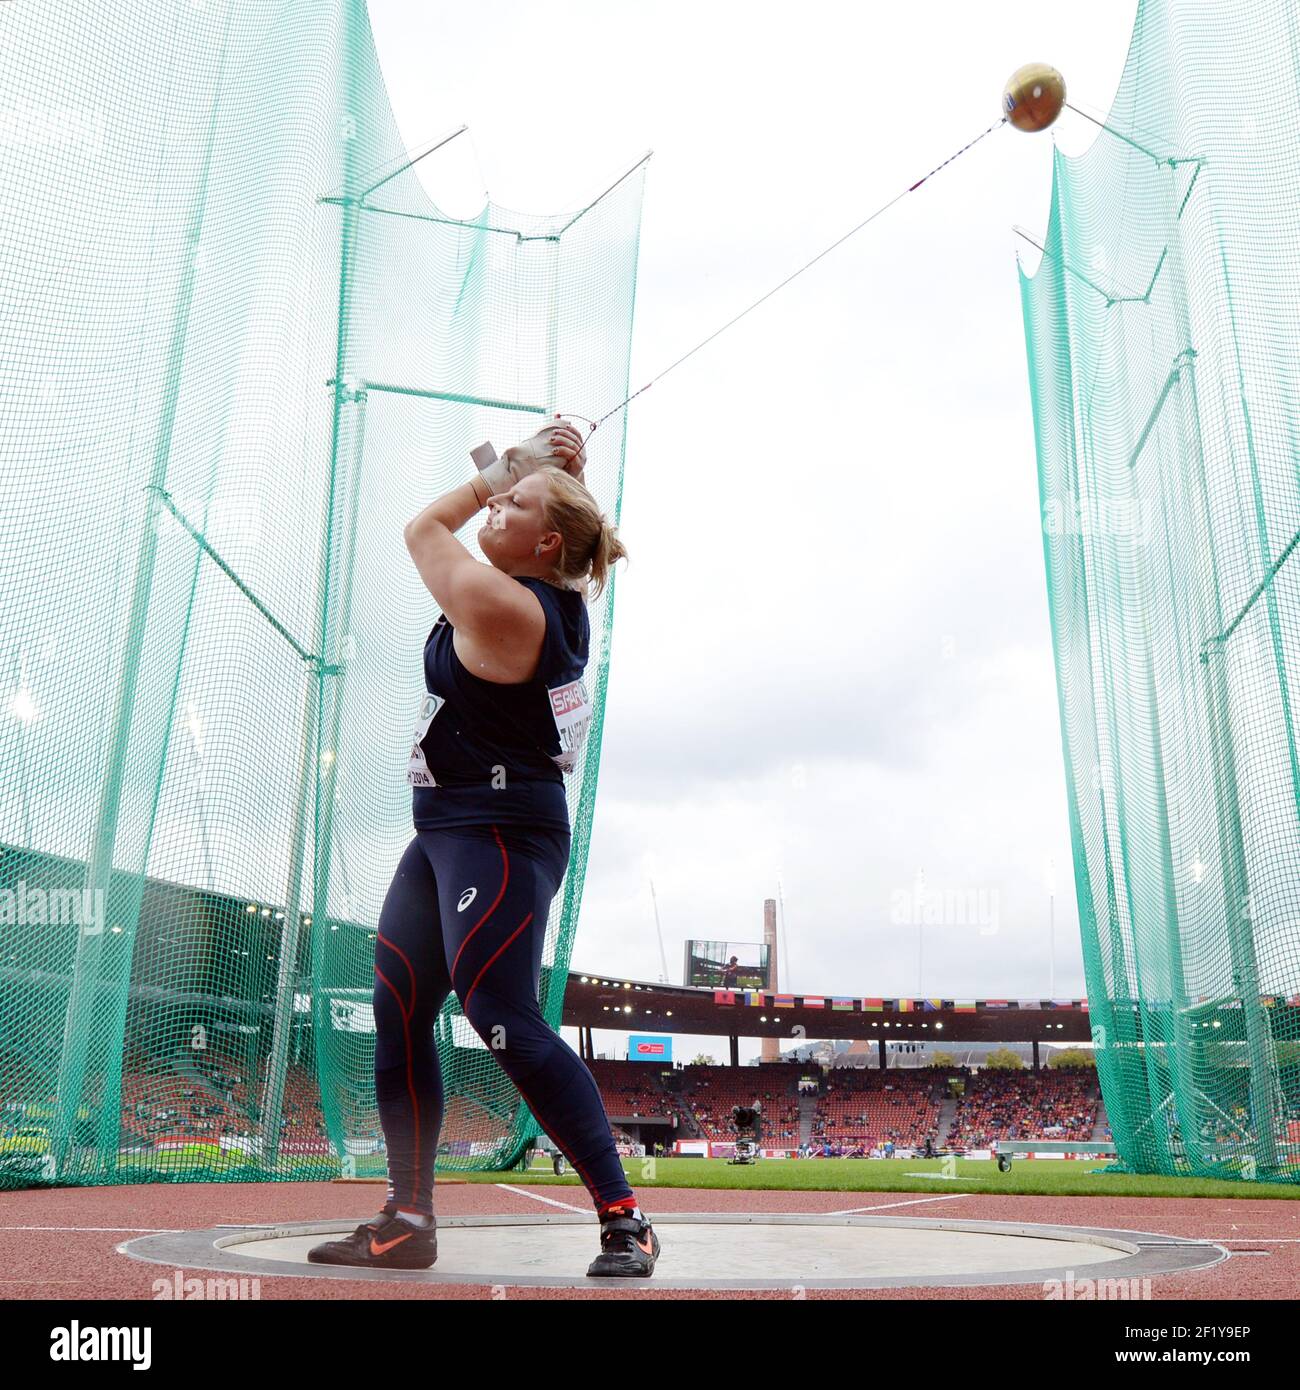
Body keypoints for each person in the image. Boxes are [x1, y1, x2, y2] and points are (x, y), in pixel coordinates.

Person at [309, 418, 658, 1278]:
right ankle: (407, 1220)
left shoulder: (507, 604)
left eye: (513, 504)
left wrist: (513, 466)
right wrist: (526, 474)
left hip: (501, 832)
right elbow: (502, 524)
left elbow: (423, 529)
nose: (493, 504)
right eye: (498, 495)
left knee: (500, 1015)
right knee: (398, 1007)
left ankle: (627, 1220)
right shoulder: (521, 581)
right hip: (447, 830)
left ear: (546, 541)